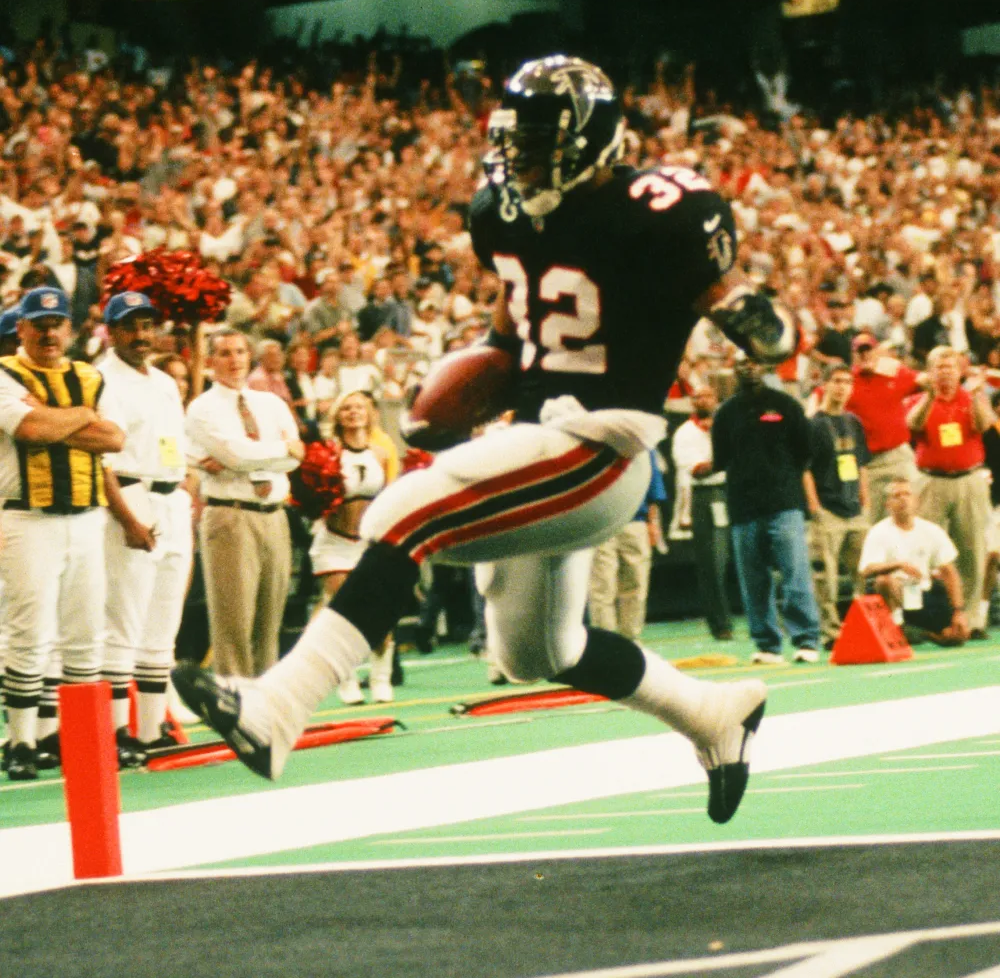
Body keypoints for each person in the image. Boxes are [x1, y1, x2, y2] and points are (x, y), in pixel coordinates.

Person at [174, 54, 795, 825]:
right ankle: (711, 712)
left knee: (399, 515)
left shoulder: (655, 208)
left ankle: (278, 708)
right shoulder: (502, 214)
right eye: (517, 138)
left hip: (603, 442)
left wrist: (754, 318)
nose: (522, 156)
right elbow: (511, 331)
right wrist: (467, 379)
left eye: (541, 140)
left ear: (592, 141)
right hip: (542, 443)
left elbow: (730, 301)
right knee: (536, 653)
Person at [0, 287, 125, 780]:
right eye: (39, 325)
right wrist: (80, 417)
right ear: (22, 329)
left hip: (86, 515)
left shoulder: (90, 375)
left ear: (70, 329)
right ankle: (21, 741)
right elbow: (29, 430)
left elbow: (113, 438)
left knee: (84, 633)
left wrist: (55, 418)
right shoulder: (5, 373)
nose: (49, 333)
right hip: (27, 516)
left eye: (57, 325)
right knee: (29, 633)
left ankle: (81, 741)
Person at [99, 292, 195, 757]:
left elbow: (174, 443)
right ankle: (116, 733)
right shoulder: (101, 378)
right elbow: (100, 462)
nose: (141, 335)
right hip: (130, 491)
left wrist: (183, 491)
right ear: (112, 330)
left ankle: (151, 731)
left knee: (163, 621)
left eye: (147, 325)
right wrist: (126, 516)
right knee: (124, 617)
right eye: (130, 326)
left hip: (170, 493)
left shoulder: (162, 380)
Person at [185, 328, 305, 678]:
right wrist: (278, 451)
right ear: (210, 362)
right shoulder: (202, 408)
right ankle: (235, 705)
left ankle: (265, 706)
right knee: (233, 621)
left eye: (240, 351)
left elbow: (297, 456)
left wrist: (252, 456)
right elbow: (236, 455)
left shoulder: (271, 403)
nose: (234, 360)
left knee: (270, 621)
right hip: (231, 516)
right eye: (224, 353)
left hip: (274, 514)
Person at [712, 358, 822, 664]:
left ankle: (807, 640)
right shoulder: (726, 413)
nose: (748, 368)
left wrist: (782, 477)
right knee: (753, 580)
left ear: (764, 367)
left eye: (753, 363)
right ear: (734, 370)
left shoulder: (785, 404)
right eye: (741, 364)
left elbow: (806, 451)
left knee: (794, 572)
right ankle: (767, 645)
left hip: (784, 503)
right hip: (743, 507)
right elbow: (720, 459)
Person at [309, 390, 396, 704]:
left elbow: (389, 497)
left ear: (369, 412)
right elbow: (312, 498)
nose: (353, 412)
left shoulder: (381, 453)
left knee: (381, 614)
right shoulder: (328, 452)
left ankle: (380, 677)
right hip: (334, 542)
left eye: (359, 406)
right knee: (346, 612)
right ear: (337, 415)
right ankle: (346, 680)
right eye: (346, 407)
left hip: (370, 543)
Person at [906, 345, 994, 636]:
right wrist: (930, 397)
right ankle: (924, 619)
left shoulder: (971, 399)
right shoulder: (919, 400)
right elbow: (912, 424)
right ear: (929, 372)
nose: (945, 372)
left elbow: (983, 426)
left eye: (951, 367)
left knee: (971, 550)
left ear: (960, 371)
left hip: (969, 480)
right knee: (923, 549)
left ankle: (969, 619)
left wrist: (978, 395)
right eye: (939, 367)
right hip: (931, 481)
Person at [803, 364, 871, 650]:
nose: (842, 387)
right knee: (825, 577)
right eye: (837, 381)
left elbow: (862, 463)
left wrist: (865, 497)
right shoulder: (813, 424)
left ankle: (863, 627)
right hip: (827, 509)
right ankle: (831, 631)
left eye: (847, 382)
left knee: (863, 573)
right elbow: (804, 469)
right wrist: (814, 506)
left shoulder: (854, 422)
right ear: (825, 385)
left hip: (855, 508)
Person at [859, 477, 968, 644]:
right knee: (884, 581)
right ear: (888, 504)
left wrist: (958, 611)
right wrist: (898, 565)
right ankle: (896, 627)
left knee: (956, 636)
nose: (903, 499)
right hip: (894, 594)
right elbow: (867, 570)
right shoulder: (878, 532)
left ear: (916, 501)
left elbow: (949, 572)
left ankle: (922, 633)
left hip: (921, 595)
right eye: (897, 496)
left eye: (907, 494)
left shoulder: (931, 530)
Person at [672, 385, 733, 640]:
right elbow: (696, 470)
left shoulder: (726, 425)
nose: (702, 400)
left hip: (733, 491)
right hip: (706, 496)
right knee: (712, 564)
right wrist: (728, 458)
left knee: (743, 558)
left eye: (707, 395)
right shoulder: (685, 433)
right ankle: (720, 625)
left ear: (717, 399)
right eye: (697, 397)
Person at [587, 452, 667, 644]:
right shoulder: (592, 440)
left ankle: (631, 641)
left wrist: (653, 523)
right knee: (602, 587)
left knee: (636, 584)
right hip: (600, 522)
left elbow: (652, 481)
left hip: (635, 520)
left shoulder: (641, 443)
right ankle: (606, 644)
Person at [845, 332, 921, 522]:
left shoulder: (895, 373)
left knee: (913, 513)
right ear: (853, 355)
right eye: (859, 351)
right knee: (871, 519)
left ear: (876, 351)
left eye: (868, 350)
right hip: (869, 463)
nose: (864, 355)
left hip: (899, 456)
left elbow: (926, 381)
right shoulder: (847, 381)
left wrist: (897, 365)